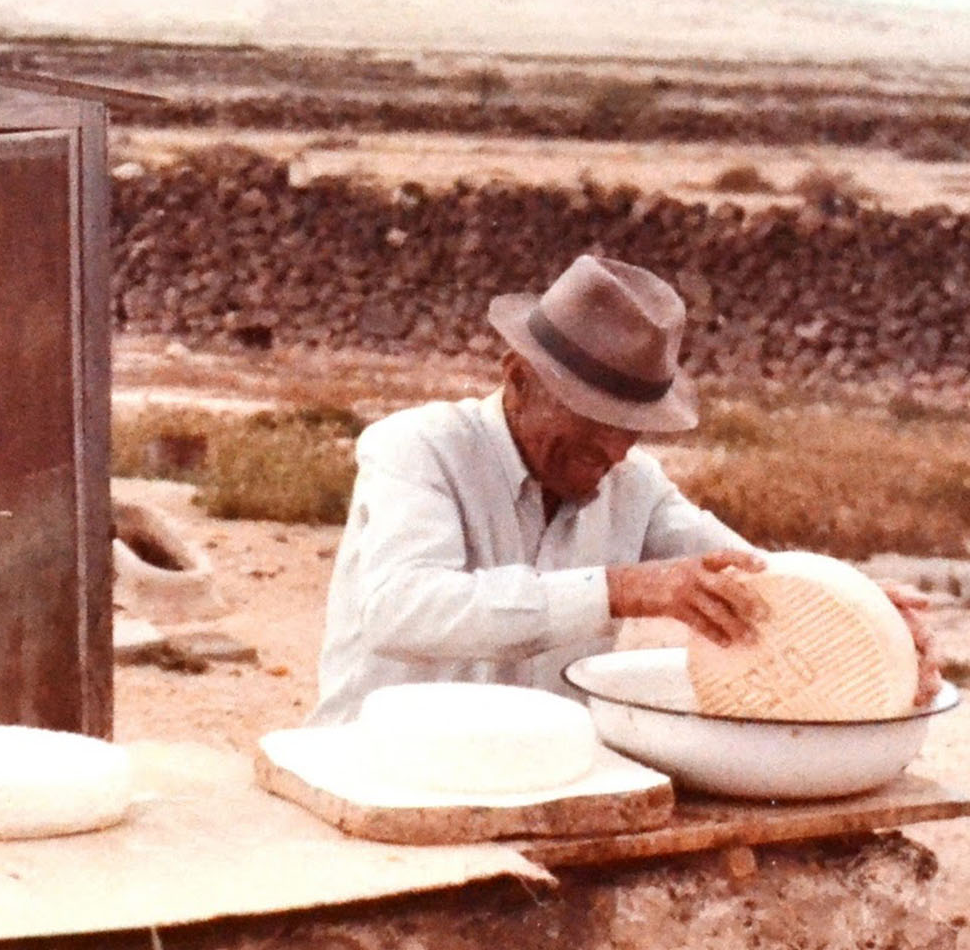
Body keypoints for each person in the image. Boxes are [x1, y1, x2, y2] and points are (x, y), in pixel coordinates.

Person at [309, 255, 935, 725]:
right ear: (518, 378)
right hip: (379, 767)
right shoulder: (417, 447)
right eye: (591, 418)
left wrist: (858, 613)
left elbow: (752, 581)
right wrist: (619, 590)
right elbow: (402, 610)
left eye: (631, 428)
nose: (613, 451)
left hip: (539, 783)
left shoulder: (634, 486)